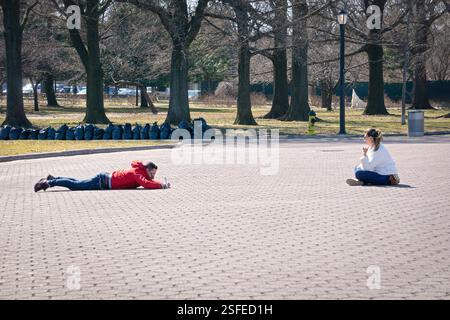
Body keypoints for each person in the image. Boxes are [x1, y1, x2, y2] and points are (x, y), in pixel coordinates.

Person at [34, 160, 171, 192]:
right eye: (153, 173)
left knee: (78, 182)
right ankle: (47, 183)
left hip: (104, 179)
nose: (153, 176)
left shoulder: (140, 172)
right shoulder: (137, 173)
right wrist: (161, 185)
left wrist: (161, 183)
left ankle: (53, 179)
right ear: (148, 169)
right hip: (103, 181)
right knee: (76, 186)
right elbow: (146, 184)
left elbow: (147, 181)